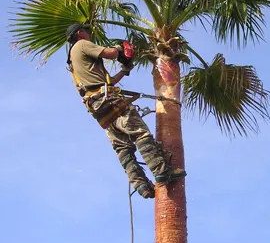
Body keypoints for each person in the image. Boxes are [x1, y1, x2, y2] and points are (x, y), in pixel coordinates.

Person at [66, 23, 186, 198]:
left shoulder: (72, 62)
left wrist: (125, 70)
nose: (90, 34)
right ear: (79, 33)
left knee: (122, 147)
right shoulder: (81, 44)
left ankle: (141, 186)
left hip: (97, 106)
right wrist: (119, 48)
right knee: (140, 133)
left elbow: (109, 82)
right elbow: (111, 54)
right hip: (109, 100)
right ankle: (162, 171)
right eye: (87, 31)